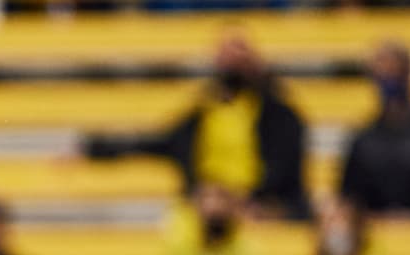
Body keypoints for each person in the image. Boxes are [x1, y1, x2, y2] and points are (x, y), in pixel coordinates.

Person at [83, 35, 309, 221]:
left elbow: (284, 165)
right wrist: (98, 149)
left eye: (240, 55)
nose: (232, 63)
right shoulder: (203, 113)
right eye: (226, 57)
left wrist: (247, 198)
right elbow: (159, 142)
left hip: (261, 204)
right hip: (207, 205)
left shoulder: (278, 114)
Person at [339, 41, 410, 220]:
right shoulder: (362, 139)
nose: (389, 81)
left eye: (395, 73)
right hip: (372, 228)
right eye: (382, 75)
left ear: (408, 74)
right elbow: (349, 197)